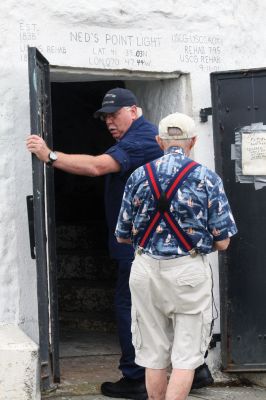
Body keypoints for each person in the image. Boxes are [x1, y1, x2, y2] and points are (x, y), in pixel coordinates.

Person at [26, 90, 213, 400]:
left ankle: (136, 375)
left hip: (144, 248)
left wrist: (50, 156)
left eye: (115, 114)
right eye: (105, 117)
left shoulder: (144, 140)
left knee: (133, 308)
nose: (109, 121)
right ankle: (197, 370)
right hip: (167, 249)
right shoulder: (142, 139)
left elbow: (98, 166)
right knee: (174, 309)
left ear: (135, 110)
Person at [115, 112, 237, 400]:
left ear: (159, 141)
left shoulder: (138, 176)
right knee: (185, 356)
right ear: (193, 141)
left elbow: (121, 235)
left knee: (153, 355)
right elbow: (223, 243)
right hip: (188, 273)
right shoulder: (207, 178)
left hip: (145, 270)